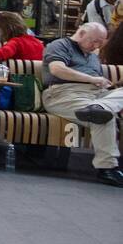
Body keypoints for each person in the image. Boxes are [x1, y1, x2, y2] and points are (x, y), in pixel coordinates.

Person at [41, 23, 123, 186]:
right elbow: (57, 70)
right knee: (102, 117)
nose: (97, 46)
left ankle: (102, 106)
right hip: (64, 93)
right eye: (94, 41)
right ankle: (107, 169)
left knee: (101, 112)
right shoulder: (60, 45)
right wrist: (92, 79)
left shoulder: (92, 55)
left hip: (96, 95)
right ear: (81, 33)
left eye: (101, 42)